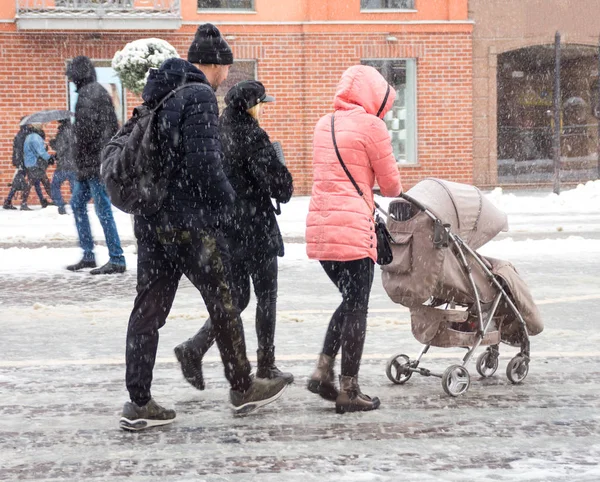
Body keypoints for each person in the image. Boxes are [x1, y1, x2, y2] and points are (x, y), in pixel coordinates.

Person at [119, 24, 288, 431]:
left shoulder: (160, 93)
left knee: (149, 309)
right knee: (225, 303)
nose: (226, 76)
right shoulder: (198, 95)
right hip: (188, 224)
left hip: (152, 221)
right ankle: (243, 387)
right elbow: (204, 166)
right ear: (212, 64)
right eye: (225, 68)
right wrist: (226, 207)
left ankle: (138, 401)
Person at [174, 80, 294, 390]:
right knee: (266, 297)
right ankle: (266, 365)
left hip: (228, 229)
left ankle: (195, 348)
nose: (262, 109)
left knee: (236, 298)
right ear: (251, 106)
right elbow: (280, 187)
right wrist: (281, 169)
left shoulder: (217, 131)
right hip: (255, 228)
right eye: (261, 104)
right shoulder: (252, 135)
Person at [305, 65, 402, 414]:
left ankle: (323, 369)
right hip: (354, 231)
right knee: (357, 306)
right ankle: (349, 389)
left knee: (349, 299)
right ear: (373, 96)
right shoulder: (372, 126)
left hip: (321, 230)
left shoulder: (323, 124)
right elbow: (392, 187)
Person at [66, 56, 126, 275]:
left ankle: (117, 258)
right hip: (92, 164)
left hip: (93, 165)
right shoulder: (93, 91)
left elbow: (87, 133)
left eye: (72, 76)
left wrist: (93, 161)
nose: (70, 80)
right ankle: (89, 255)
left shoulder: (89, 94)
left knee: (103, 211)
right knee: (78, 204)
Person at [3, 123, 53, 211]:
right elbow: (38, 151)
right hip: (30, 163)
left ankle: (45, 200)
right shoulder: (31, 136)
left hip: (27, 162)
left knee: (39, 181)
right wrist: (48, 156)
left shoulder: (25, 135)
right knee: (31, 182)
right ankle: (19, 202)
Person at [21, 124, 55, 211]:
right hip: (34, 164)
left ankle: (55, 200)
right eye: (42, 127)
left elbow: (36, 150)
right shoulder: (35, 138)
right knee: (31, 182)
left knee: (45, 181)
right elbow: (41, 152)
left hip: (30, 163)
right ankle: (23, 203)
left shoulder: (29, 136)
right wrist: (49, 158)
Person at [49, 119, 77, 215]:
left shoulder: (62, 132)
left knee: (54, 186)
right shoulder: (75, 131)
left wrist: (52, 141)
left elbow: (60, 148)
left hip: (64, 165)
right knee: (74, 188)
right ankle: (78, 206)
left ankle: (61, 206)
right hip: (74, 164)